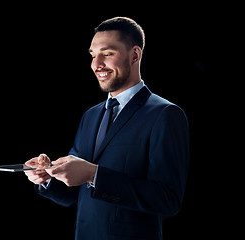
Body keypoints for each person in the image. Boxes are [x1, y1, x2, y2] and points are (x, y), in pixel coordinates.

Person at [25, 17, 189, 240]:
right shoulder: (90, 115)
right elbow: (76, 194)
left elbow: (167, 200)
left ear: (135, 55)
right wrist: (47, 177)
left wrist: (93, 174)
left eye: (107, 54)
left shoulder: (165, 115)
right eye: (93, 55)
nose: (96, 64)